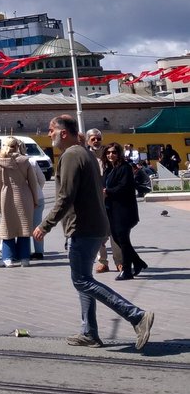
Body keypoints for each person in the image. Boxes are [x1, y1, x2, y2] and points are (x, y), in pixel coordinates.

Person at [33, 115, 154, 350]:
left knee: (81, 280)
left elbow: (65, 196)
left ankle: (136, 316)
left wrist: (44, 224)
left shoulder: (70, 155)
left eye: (51, 130)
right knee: (84, 280)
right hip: (96, 225)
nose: (49, 135)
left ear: (63, 133)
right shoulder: (86, 153)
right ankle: (88, 333)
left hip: (83, 227)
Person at [0, 137, 42, 267]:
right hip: (24, 195)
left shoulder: (0, 162)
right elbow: (33, 183)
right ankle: (24, 258)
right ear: (17, 146)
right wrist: (35, 199)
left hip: (6, 195)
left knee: (8, 227)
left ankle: (8, 258)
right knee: (24, 227)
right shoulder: (25, 161)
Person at [103, 143, 147, 281]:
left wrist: (107, 191)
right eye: (108, 153)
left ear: (119, 153)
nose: (111, 155)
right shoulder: (109, 168)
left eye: (114, 152)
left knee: (122, 239)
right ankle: (138, 262)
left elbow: (124, 186)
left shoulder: (125, 167)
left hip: (124, 210)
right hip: (112, 209)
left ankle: (127, 270)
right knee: (118, 238)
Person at [85, 128, 121, 274]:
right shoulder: (85, 154)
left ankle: (119, 261)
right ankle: (102, 262)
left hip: (110, 197)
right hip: (93, 197)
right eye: (93, 139)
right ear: (88, 140)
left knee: (114, 231)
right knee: (98, 232)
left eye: (98, 138)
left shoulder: (108, 153)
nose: (96, 141)